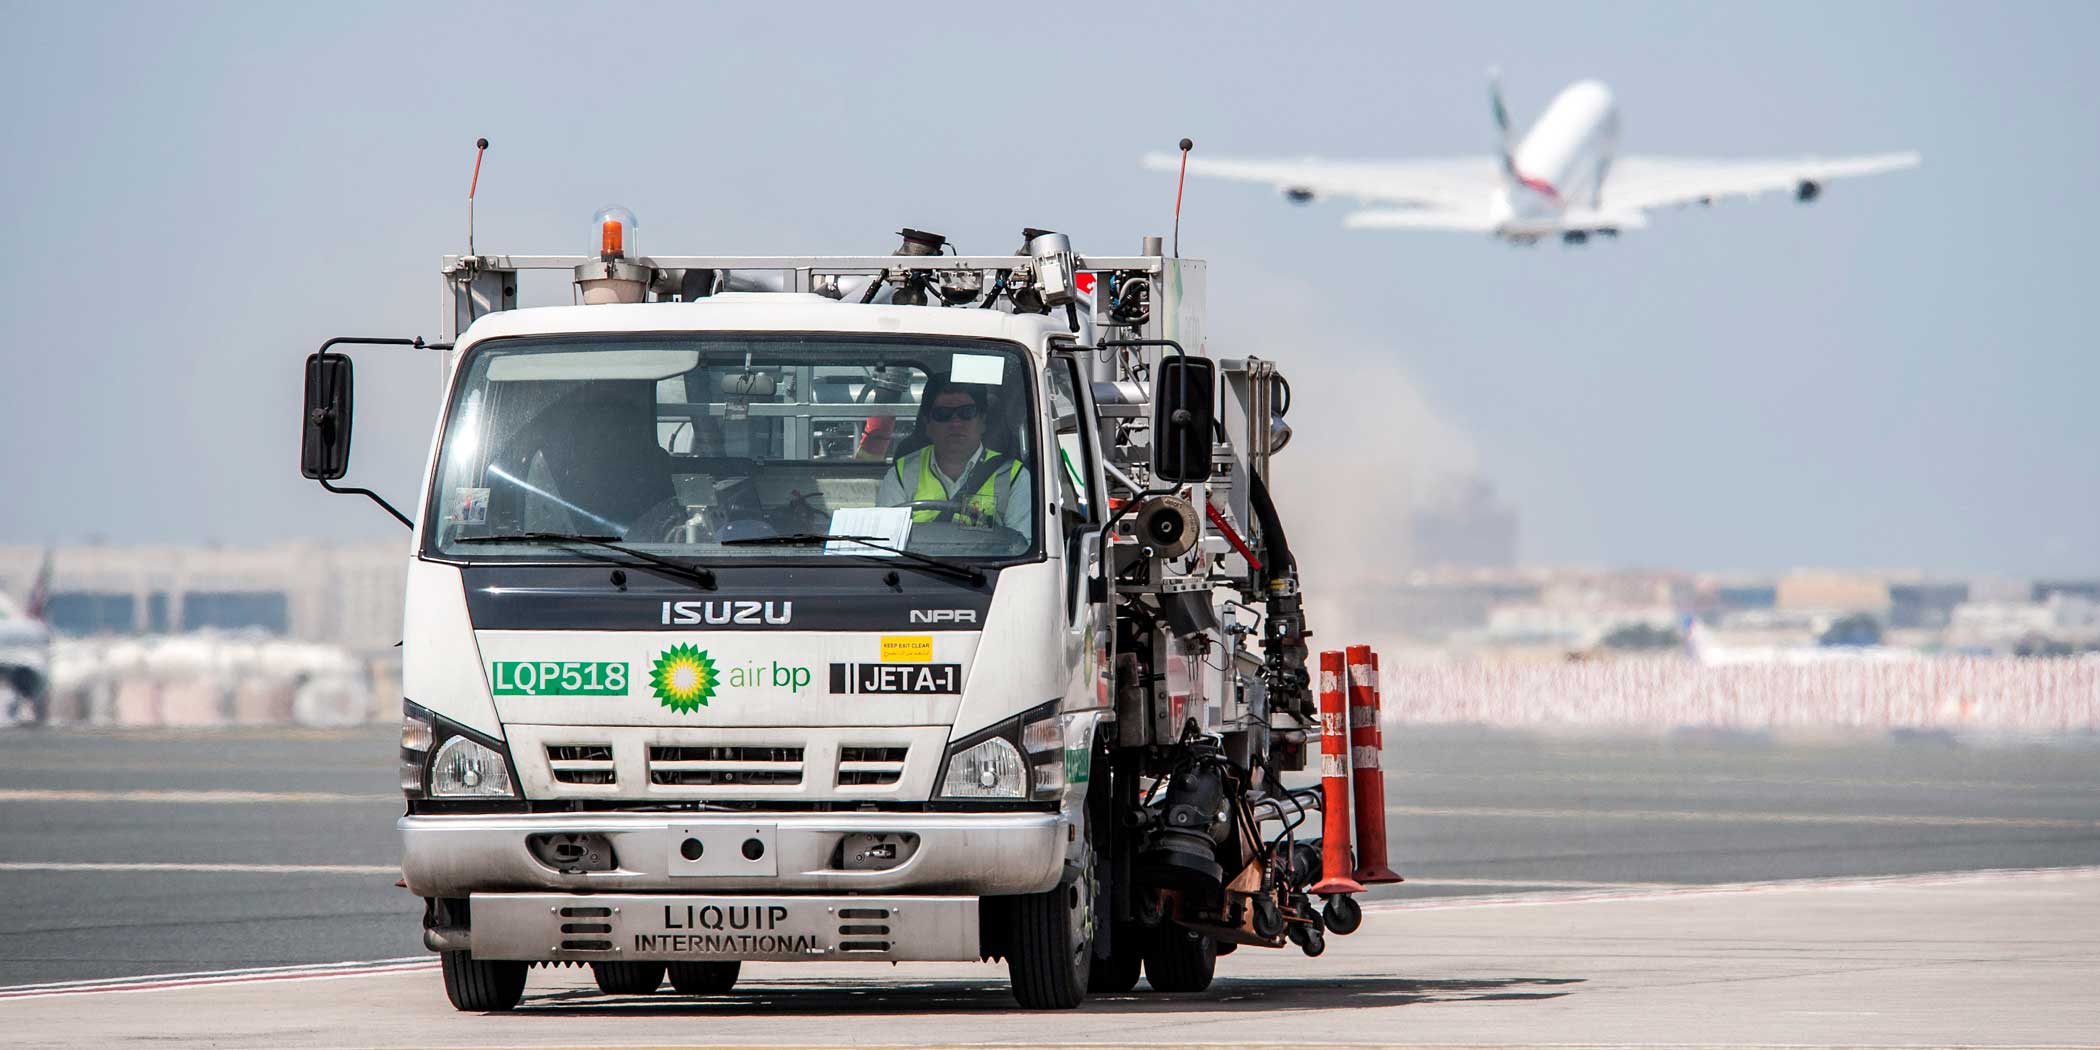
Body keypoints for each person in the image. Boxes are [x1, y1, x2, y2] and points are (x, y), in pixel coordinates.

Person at [877, 379, 1031, 536]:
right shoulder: (901, 475)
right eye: (943, 414)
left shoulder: (1013, 477)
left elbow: (1022, 547)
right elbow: (886, 542)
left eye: (967, 412)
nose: (956, 423)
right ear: (927, 424)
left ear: (983, 421)